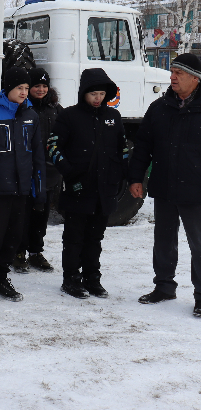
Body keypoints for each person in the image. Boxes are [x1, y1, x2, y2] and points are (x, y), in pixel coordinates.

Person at [129, 53, 201, 317]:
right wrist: (136, 178)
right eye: (172, 73)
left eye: (178, 74)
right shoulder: (159, 108)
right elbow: (143, 147)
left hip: (196, 190)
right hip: (165, 187)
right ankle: (164, 286)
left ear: (195, 79)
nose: (172, 77)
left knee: (199, 244)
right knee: (163, 240)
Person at [47, 68, 126, 299]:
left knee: (95, 237)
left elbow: (122, 149)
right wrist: (69, 173)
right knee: (74, 237)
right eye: (93, 94)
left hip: (104, 190)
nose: (98, 98)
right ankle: (71, 278)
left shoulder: (113, 117)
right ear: (84, 93)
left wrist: (121, 175)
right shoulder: (69, 116)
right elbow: (52, 147)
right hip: (77, 188)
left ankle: (93, 278)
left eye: (102, 94)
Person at [0, 67, 45, 303]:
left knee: (14, 237)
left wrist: (38, 189)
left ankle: (2, 278)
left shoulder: (32, 116)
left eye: (26, 88)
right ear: (8, 89)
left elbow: (37, 157)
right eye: (19, 88)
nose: (24, 92)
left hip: (21, 189)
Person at [13, 68, 62, 274]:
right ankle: (18, 251)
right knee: (22, 213)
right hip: (26, 170)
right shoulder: (21, 108)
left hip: (49, 172)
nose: (40, 90)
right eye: (36, 86)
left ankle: (36, 251)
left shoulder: (56, 109)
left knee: (41, 214)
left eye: (44, 86)